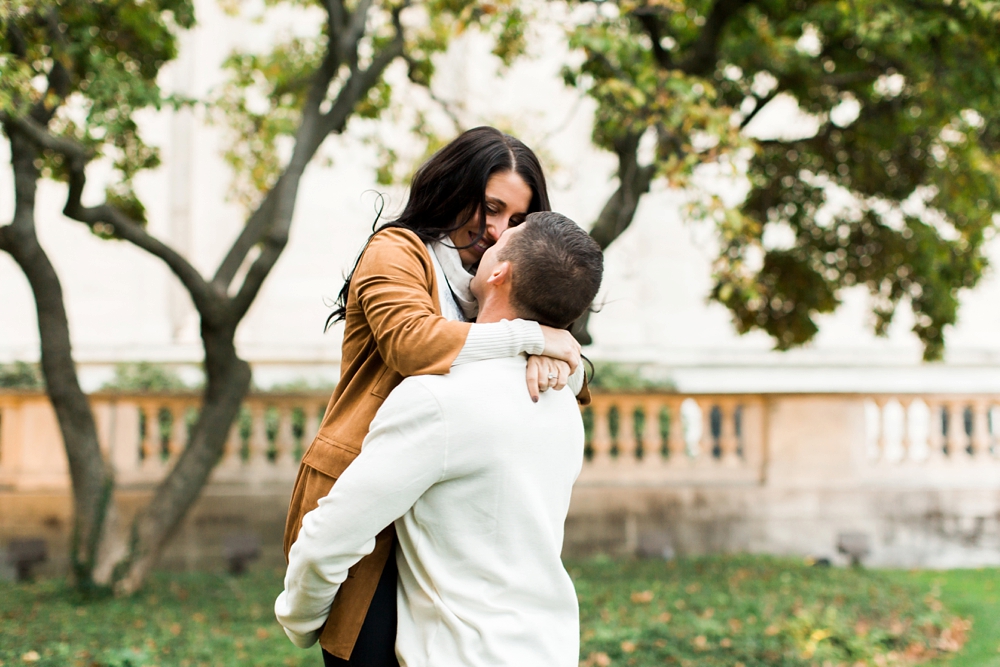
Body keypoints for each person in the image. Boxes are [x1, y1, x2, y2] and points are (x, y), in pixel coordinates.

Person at [283, 127, 589, 666]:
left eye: (515, 220)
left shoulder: (489, 278)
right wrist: (530, 337)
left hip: (444, 506)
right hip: (367, 505)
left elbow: (570, 369)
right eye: (490, 206)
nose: (496, 229)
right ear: (454, 185)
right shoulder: (396, 251)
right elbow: (410, 343)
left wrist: (559, 353)